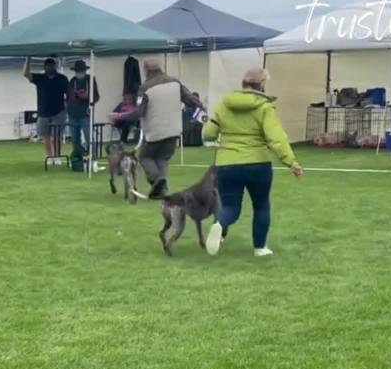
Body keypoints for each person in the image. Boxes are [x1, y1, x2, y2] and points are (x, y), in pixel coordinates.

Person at [201, 68, 303, 258]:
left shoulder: (224, 104)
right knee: (261, 205)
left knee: (230, 207)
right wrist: (291, 162)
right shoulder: (265, 107)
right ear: (262, 84)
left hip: (227, 164)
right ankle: (260, 248)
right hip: (258, 163)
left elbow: (208, 134)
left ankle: (220, 224)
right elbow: (276, 138)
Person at [111, 58, 203, 198]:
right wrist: (201, 107)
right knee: (163, 158)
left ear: (146, 70)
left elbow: (139, 112)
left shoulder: (145, 87)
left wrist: (120, 116)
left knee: (145, 157)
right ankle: (161, 190)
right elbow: (191, 100)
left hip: (155, 131)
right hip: (174, 130)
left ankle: (156, 179)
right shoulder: (175, 82)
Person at [24, 57, 68, 162]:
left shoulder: (62, 78)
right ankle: (50, 157)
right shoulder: (40, 78)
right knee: (46, 137)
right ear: (45, 67)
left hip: (59, 112)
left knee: (56, 137)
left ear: (55, 66)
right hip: (43, 112)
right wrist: (28, 59)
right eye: (48, 66)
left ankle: (57, 157)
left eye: (52, 66)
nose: (50, 68)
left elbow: (68, 93)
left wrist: (67, 106)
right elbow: (26, 74)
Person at [66, 60, 100, 161]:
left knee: (89, 137)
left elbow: (96, 97)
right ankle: (80, 156)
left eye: (81, 71)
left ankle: (93, 158)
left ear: (85, 71)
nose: (79, 73)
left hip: (86, 113)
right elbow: (68, 96)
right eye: (77, 71)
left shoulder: (90, 80)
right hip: (73, 113)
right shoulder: (72, 81)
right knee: (75, 139)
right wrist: (74, 96)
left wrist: (87, 96)